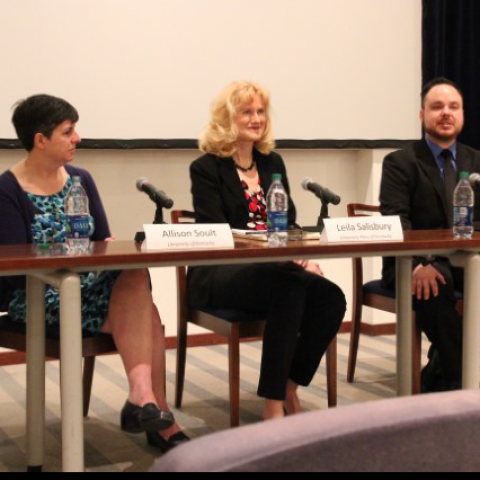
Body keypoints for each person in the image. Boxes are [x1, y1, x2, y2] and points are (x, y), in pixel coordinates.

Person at [0, 95, 189, 452]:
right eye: (68, 132)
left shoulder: (80, 179)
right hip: (38, 297)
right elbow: (14, 267)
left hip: (85, 288)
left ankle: (143, 397)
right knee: (149, 319)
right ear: (40, 140)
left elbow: (102, 240)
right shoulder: (7, 189)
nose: (78, 138)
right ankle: (156, 414)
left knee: (133, 274)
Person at [187, 82, 346, 420]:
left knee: (331, 296)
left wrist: (300, 256)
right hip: (220, 272)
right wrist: (280, 258)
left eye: (260, 111)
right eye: (247, 112)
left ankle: (289, 384)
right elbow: (216, 232)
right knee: (288, 288)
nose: (256, 118)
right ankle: (272, 404)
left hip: (275, 269)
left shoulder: (273, 163)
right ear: (227, 118)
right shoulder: (205, 168)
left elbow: (287, 223)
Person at [380, 78, 480, 392]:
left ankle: (440, 367)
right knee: (435, 283)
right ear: (422, 115)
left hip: (468, 263)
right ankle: (459, 381)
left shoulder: (476, 162)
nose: (446, 113)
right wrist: (419, 264)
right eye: (437, 107)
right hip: (413, 264)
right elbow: (396, 222)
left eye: (454, 107)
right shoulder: (400, 162)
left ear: (463, 114)